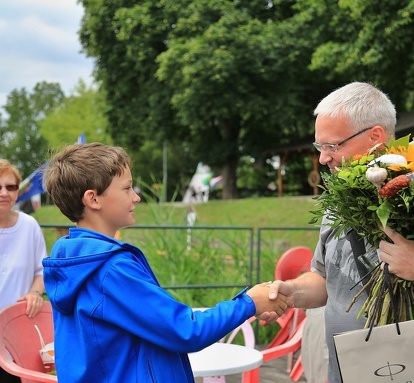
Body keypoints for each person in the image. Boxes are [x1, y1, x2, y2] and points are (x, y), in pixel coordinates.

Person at [260, 82, 414, 383]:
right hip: (346, 373)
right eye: (319, 147)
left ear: (376, 137)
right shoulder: (338, 201)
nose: (323, 158)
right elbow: (326, 279)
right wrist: (292, 292)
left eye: (332, 146)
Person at [41, 142, 288, 383]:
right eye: (127, 189)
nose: (136, 197)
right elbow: (185, 331)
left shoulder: (72, 262)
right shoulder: (111, 270)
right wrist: (249, 303)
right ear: (93, 199)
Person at [0, 159, 47, 383]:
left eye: (11, 187)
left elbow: (42, 270)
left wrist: (35, 293)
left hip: (17, 341)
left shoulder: (29, 226)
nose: (4, 193)